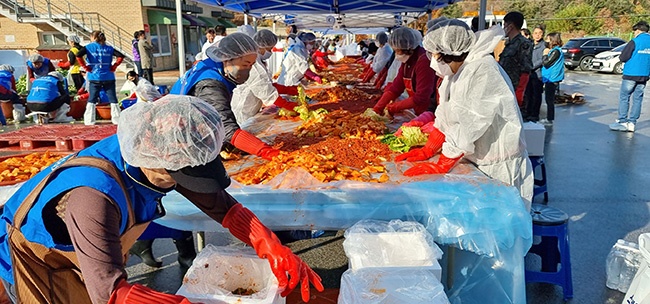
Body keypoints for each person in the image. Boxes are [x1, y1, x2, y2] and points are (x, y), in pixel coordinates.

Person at [0, 95, 323, 304]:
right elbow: (110, 292)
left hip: (95, 262)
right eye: (177, 176)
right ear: (151, 158)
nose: (184, 185)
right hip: (39, 262)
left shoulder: (160, 150)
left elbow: (220, 205)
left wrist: (268, 243)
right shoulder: (92, 197)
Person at [396, 19, 533, 211]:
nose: (432, 60)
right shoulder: (455, 73)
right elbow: (447, 116)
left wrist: (443, 163)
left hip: (497, 164)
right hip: (476, 159)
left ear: (447, 53)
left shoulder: (483, 70)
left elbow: (469, 124)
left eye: (434, 54)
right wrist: (429, 148)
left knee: (497, 225)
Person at [170, 32, 281, 160]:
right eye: (245, 65)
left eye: (251, 65)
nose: (248, 70)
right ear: (227, 58)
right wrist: (267, 152)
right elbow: (226, 127)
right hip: (178, 141)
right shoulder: (210, 84)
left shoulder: (216, 69)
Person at [231, 29, 299, 123]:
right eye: (269, 49)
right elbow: (266, 92)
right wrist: (288, 105)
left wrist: (287, 89)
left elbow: (267, 85)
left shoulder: (258, 60)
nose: (270, 52)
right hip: (244, 107)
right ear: (260, 47)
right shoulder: (255, 64)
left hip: (252, 105)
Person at [371, 27, 437, 116]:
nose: (396, 54)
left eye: (397, 51)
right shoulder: (407, 60)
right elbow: (396, 87)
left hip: (430, 111)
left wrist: (395, 107)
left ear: (408, 48)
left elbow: (421, 97)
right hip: (418, 109)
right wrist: (378, 107)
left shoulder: (424, 61)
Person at [75, 30, 125, 125]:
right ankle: (116, 120)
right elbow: (120, 56)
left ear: (93, 37)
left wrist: (85, 67)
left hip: (94, 76)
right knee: (113, 98)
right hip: (108, 76)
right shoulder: (109, 48)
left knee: (92, 98)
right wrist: (114, 66)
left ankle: (89, 121)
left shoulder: (89, 47)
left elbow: (78, 55)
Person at [609, 21, 650, 133]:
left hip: (631, 74)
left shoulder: (634, 41)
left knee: (624, 97)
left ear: (638, 30)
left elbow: (623, 57)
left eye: (635, 31)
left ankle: (622, 121)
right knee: (638, 99)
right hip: (644, 75)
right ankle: (632, 123)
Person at [499, 11, 533, 115]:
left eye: (504, 25)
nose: (503, 27)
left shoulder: (524, 44)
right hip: (505, 87)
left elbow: (525, 70)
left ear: (511, 26)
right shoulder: (509, 43)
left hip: (514, 88)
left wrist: (519, 94)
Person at [539, 32, 564, 126]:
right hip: (550, 78)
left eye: (548, 39)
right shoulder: (554, 50)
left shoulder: (556, 51)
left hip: (552, 78)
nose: (546, 41)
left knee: (549, 99)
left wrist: (545, 54)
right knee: (548, 98)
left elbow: (546, 63)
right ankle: (549, 118)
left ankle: (550, 119)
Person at [524, 25, 546, 122]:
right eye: (535, 33)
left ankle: (535, 114)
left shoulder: (544, 46)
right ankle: (528, 112)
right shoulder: (529, 44)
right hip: (528, 74)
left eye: (539, 33)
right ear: (532, 34)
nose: (537, 35)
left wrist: (532, 66)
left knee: (536, 95)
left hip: (538, 74)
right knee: (528, 94)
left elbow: (543, 60)